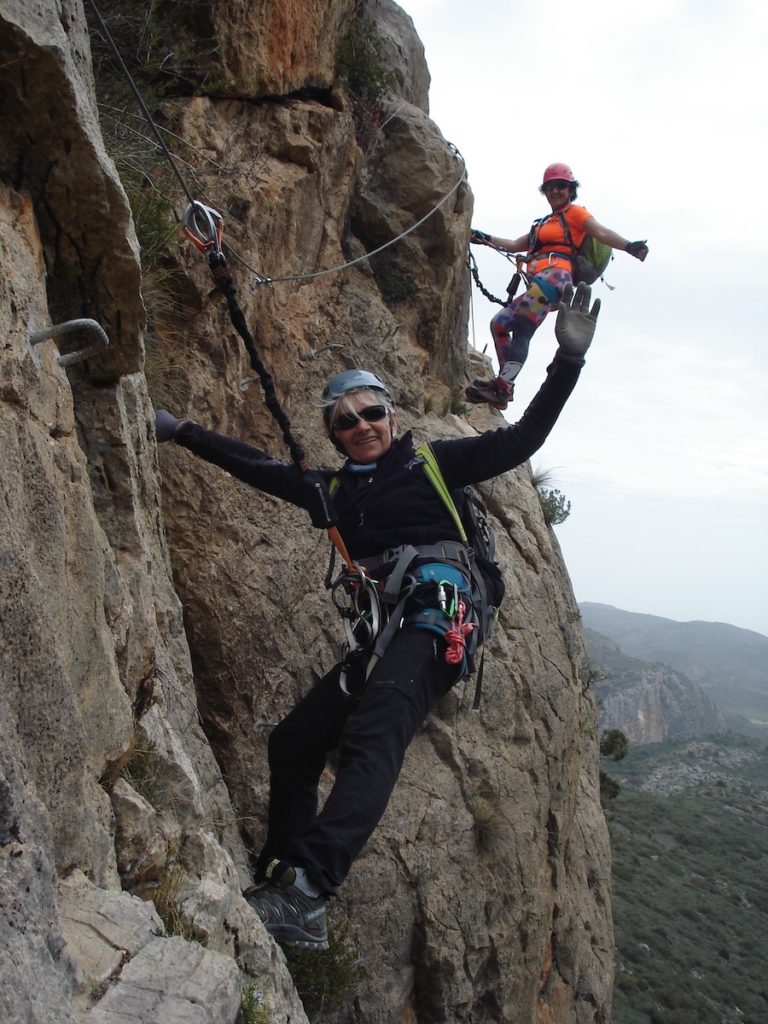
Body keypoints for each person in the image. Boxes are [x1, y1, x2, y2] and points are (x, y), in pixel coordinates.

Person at [154, 283, 601, 951]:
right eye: (346, 420)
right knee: (294, 743)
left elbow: (524, 437)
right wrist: (182, 431)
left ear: (391, 414)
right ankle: (284, 870)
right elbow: (258, 466)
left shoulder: (435, 462)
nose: (362, 425)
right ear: (335, 433)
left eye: (372, 412)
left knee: (372, 735)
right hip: (386, 633)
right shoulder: (330, 493)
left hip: (438, 616)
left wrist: (566, 363)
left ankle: (307, 892)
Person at [466, 162, 648, 410]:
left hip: (556, 278)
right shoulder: (543, 223)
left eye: (561, 186)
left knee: (522, 327)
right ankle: (504, 385)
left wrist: (630, 246)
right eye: (550, 187)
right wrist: (482, 238)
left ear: (570, 189)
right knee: (499, 324)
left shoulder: (576, 214)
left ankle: (503, 387)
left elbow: (601, 232)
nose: (555, 191)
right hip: (540, 281)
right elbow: (513, 244)